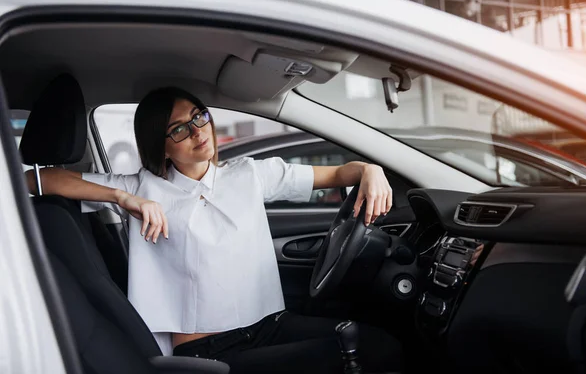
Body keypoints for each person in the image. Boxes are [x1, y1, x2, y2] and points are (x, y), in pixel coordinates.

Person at [26, 87, 403, 373]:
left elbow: (340, 173)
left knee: (379, 342)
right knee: (354, 350)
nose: (197, 132)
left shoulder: (250, 175)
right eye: (178, 129)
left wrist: (370, 171)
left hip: (270, 327)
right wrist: (124, 200)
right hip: (209, 352)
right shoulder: (140, 187)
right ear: (161, 147)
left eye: (198, 117)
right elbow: (33, 180)